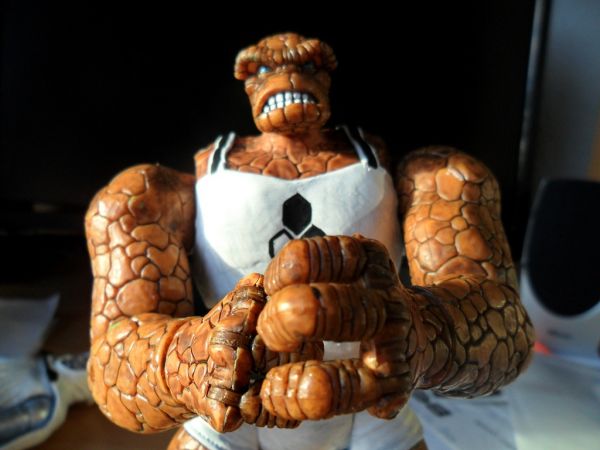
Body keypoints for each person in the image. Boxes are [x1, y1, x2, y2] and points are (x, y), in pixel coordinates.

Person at [85, 33, 535, 450]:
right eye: (263, 70)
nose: (287, 78)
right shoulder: (152, 195)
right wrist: (196, 358)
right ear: (247, 83)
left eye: (308, 66)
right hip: (232, 411)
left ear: (326, 77)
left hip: (373, 404)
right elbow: (111, 362)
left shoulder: (432, 178)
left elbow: (506, 327)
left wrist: (422, 332)